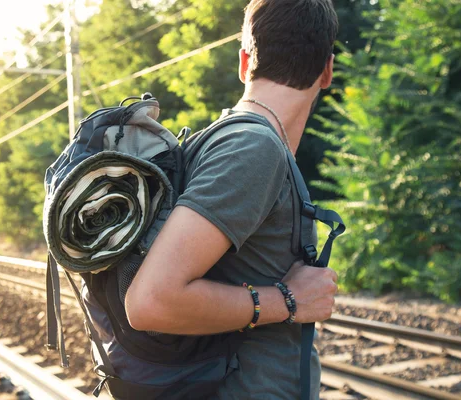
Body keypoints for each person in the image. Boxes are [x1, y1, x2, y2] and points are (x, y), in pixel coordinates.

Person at [125, 0, 339, 398]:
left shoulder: (230, 140)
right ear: (327, 70)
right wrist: (290, 300)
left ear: (244, 63)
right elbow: (151, 301)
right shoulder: (253, 149)